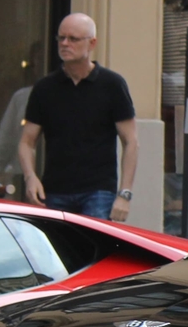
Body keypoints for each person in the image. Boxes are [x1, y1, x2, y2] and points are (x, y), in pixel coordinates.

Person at [19, 13, 138, 221]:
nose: (65, 44)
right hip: (54, 191)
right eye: (61, 38)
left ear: (92, 43)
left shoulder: (112, 85)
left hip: (98, 192)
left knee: (92, 250)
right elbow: (27, 141)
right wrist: (30, 177)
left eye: (73, 39)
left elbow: (131, 142)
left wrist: (124, 194)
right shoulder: (45, 88)